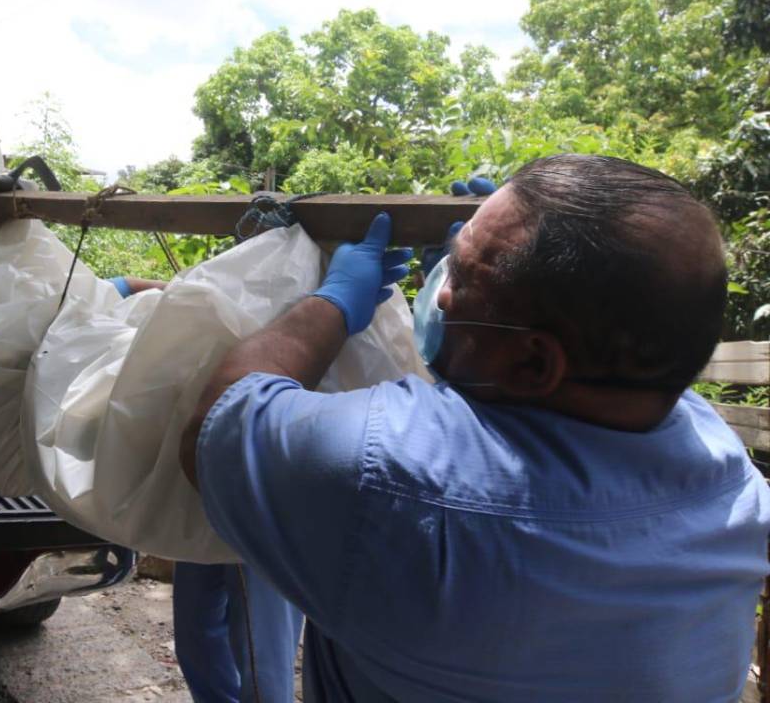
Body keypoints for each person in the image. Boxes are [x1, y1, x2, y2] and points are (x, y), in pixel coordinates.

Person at [180, 154, 770, 701]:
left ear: (535, 363)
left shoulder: (391, 482)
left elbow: (219, 419)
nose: (439, 293)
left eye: (458, 277)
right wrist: (499, 256)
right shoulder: (729, 476)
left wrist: (331, 303)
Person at [109, 276, 305, 703]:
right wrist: (132, 286)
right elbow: (171, 293)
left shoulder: (300, 310)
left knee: (260, 654)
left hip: (261, 505)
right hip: (202, 496)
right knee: (195, 636)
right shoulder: (228, 289)